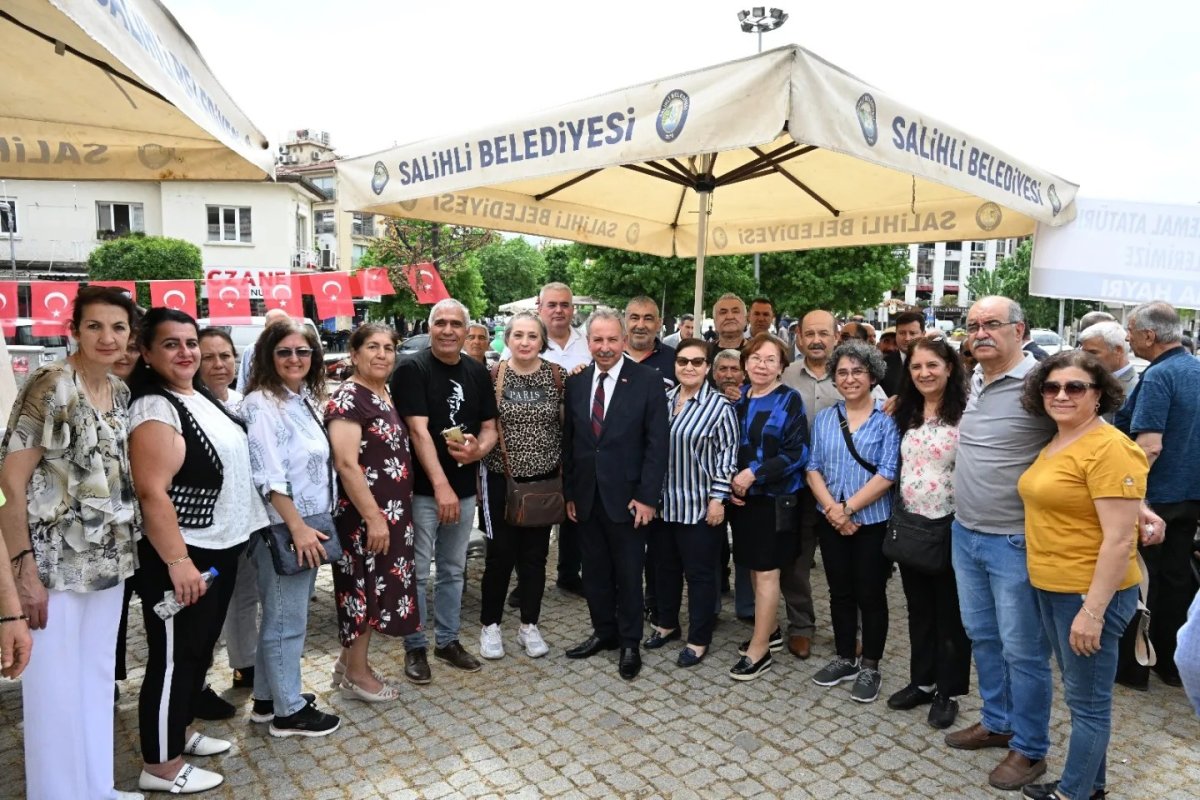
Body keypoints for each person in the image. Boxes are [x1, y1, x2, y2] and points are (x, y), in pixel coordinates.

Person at [0, 286, 141, 800]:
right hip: (52, 565)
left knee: (97, 681)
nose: (107, 337)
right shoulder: (51, 384)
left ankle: (97, 789)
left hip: (109, 561)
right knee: (55, 693)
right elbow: (9, 484)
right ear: (74, 330)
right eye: (94, 326)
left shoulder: (119, 390)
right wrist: (23, 572)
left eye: (118, 327)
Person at [127, 307, 269, 794]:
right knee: (173, 658)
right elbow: (152, 492)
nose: (186, 352)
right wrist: (178, 562)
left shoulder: (196, 395)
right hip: (183, 555)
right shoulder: (155, 407)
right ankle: (160, 765)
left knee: (197, 651)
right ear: (147, 353)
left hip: (218, 548)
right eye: (171, 344)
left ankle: (181, 730)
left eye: (190, 342)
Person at [1016, 350, 1147, 800]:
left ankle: (1073, 794)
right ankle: (1090, 785)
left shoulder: (1110, 447)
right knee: (1081, 697)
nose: (1061, 395)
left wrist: (1092, 612)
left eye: (1075, 387)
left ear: (1099, 394)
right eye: (1051, 387)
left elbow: (1119, 539)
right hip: (1053, 587)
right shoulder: (1061, 439)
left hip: (1088, 593)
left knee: (1089, 704)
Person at [944, 296, 1056, 792]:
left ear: (1019, 330)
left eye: (992, 324)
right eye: (973, 325)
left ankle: (1030, 749)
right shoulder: (976, 379)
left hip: (1014, 539)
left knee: (1023, 651)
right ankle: (997, 721)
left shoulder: (1042, 383)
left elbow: (1083, 438)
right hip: (966, 533)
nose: (980, 333)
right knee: (983, 636)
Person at [242, 319, 342, 735]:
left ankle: (268, 700)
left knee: (281, 616)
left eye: (303, 351)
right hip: (285, 528)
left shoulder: (300, 399)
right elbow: (269, 475)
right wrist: (297, 528)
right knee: (286, 622)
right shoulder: (261, 403)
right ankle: (289, 712)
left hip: (308, 523)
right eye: (284, 351)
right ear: (268, 356)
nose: (295, 358)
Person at [392, 298, 499, 683]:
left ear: (467, 331)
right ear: (430, 327)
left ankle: (448, 641)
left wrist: (478, 451)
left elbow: (490, 427)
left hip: (464, 489)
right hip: (423, 491)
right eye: (441, 323)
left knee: (453, 570)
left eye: (456, 324)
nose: (448, 330)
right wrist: (441, 487)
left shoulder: (476, 371)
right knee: (419, 571)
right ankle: (415, 646)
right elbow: (418, 432)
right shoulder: (412, 368)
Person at [563, 310, 668, 680]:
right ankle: (603, 631)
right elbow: (571, 442)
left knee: (628, 573)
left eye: (611, 339)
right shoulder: (576, 383)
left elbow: (657, 444)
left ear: (623, 341)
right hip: (587, 497)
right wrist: (571, 493)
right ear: (588, 342)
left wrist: (648, 497)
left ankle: (629, 642)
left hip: (629, 499)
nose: (604, 347)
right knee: (594, 572)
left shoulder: (648, 380)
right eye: (598, 340)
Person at [326, 323, 421, 702]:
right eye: (372, 347)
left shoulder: (381, 392)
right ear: (354, 354)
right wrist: (373, 518)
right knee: (362, 591)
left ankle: (347, 664)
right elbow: (346, 464)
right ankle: (357, 677)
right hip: (365, 518)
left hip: (389, 515)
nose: (382, 354)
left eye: (388, 348)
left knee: (372, 587)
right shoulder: (349, 397)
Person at [885, 334, 972, 728]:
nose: (924, 373)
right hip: (912, 523)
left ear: (949, 368)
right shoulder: (907, 410)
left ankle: (948, 692)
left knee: (949, 612)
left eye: (932, 365)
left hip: (952, 525)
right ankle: (921, 682)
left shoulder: (967, 412)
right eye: (916, 366)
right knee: (918, 608)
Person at [806, 341, 900, 703]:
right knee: (840, 591)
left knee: (871, 593)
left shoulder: (887, 418)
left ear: (873, 376)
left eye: (858, 371)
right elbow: (812, 467)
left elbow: (888, 472)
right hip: (830, 520)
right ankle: (845, 657)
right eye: (842, 372)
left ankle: (871, 664)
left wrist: (848, 509)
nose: (850, 378)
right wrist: (833, 510)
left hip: (872, 522)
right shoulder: (826, 418)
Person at [1114, 301, 1200, 689]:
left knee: (1141, 580)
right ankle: (1170, 661)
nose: (1127, 337)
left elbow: (1149, 445)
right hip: (1189, 496)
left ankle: (1135, 667)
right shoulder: (1195, 370)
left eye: (1131, 330)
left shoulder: (1159, 375)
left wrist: (1130, 495)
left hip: (1155, 498)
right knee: (1177, 578)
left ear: (1149, 335)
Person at [645, 338, 737, 667]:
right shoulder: (664, 400)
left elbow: (727, 458)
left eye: (697, 362)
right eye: (683, 361)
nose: (689, 367)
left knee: (700, 576)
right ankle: (667, 624)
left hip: (699, 507)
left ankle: (699, 638)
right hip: (663, 505)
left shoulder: (720, 407)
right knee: (665, 570)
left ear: (707, 367)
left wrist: (718, 499)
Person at [477, 312, 564, 660]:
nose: (525, 342)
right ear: (508, 339)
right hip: (501, 480)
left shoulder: (557, 376)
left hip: (543, 484)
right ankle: (490, 625)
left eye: (532, 336)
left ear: (542, 340)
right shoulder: (493, 375)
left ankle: (529, 624)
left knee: (535, 559)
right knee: (499, 557)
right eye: (518, 335)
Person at [727, 333, 809, 681]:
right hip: (743, 499)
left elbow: (797, 453)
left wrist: (754, 474)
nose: (762, 365)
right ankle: (771, 629)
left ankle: (759, 650)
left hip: (775, 499)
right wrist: (731, 483)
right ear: (745, 363)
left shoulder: (789, 399)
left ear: (781, 366)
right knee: (751, 565)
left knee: (767, 572)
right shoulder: (740, 399)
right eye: (756, 358)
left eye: (770, 359)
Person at [504, 283, 590, 600]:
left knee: (572, 511)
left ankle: (569, 573)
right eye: (552, 304)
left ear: (572, 308)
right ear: (540, 307)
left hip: (577, 444)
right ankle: (524, 581)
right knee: (529, 513)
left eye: (564, 304)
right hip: (533, 448)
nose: (558, 310)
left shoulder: (587, 342)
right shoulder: (523, 340)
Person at [197, 328, 257, 695]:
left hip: (245, 523)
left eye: (225, 356)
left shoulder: (242, 402)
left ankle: (245, 665)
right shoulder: (188, 403)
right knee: (206, 606)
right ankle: (196, 682)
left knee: (244, 596)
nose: (219, 364)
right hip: (206, 530)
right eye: (209, 357)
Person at [779, 309, 840, 661]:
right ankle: (801, 626)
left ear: (836, 337)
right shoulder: (784, 375)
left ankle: (849, 628)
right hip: (796, 487)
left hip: (841, 489)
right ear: (799, 338)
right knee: (796, 562)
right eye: (810, 334)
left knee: (842, 564)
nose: (817, 340)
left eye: (824, 333)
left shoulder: (852, 374)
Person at [712, 347, 752, 616]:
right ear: (714, 373)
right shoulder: (704, 400)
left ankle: (747, 606)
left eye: (734, 369)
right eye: (722, 369)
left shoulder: (754, 397)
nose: (728, 375)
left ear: (744, 373)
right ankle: (711, 606)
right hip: (713, 486)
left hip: (745, 486)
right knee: (713, 549)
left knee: (746, 549)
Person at [1077, 321, 1138, 423]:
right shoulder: (1085, 380)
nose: (1085, 358)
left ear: (1118, 351)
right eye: (1083, 352)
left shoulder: (1134, 389)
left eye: (1093, 353)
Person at [624, 296, 677, 389]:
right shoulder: (609, 355)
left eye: (648, 319)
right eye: (635, 318)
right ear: (625, 321)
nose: (640, 326)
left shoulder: (674, 360)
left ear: (659, 324)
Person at [235, 307, 290, 391]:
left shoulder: (296, 349)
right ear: (266, 326)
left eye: (284, 325)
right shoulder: (252, 350)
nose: (281, 329)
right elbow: (243, 382)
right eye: (276, 325)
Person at [879, 311, 925, 396]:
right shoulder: (883, 365)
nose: (907, 338)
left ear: (923, 334)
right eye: (902, 333)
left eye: (912, 333)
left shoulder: (935, 362)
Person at [708, 294, 749, 361]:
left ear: (745, 319)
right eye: (723, 312)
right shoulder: (704, 353)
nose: (730, 317)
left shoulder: (757, 351)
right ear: (714, 321)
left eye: (735, 312)